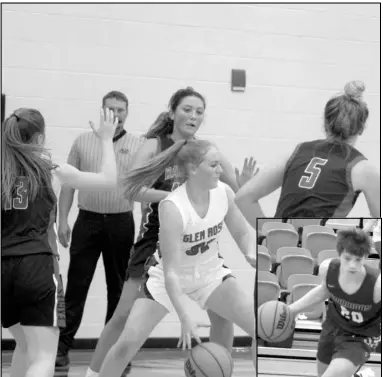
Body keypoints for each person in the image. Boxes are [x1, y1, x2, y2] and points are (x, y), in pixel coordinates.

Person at [86, 87, 261, 377]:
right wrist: (174, 198)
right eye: (187, 109)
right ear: (172, 113)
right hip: (156, 240)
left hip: (198, 245)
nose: (193, 116)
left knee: (223, 317)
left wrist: (243, 184)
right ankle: (93, 373)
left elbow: (235, 196)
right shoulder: (155, 145)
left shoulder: (205, 151)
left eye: (199, 111)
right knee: (123, 320)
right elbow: (130, 189)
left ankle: (217, 371)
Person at [1, 107, 118, 377]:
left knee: (25, 345)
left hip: (3, 269)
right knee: (43, 357)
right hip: (36, 266)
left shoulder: (2, 172)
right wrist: (105, 140)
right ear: (40, 138)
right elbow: (109, 181)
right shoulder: (50, 168)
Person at [56, 91, 143, 370]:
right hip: (88, 221)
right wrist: (62, 220)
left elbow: (145, 185)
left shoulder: (139, 145)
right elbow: (68, 184)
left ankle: (114, 353)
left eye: (120, 109)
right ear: (101, 111)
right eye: (110, 109)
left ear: (127, 112)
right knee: (77, 287)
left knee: (118, 289)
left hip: (121, 222)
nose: (115, 114)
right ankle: (61, 349)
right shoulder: (82, 141)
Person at [235, 81, 380, 224]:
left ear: (325, 124)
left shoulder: (297, 152)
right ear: (361, 129)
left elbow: (243, 197)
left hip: (279, 244)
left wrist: (269, 232)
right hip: (317, 244)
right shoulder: (363, 169)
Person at [288, 228, 381, 377]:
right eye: (347, 258)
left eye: (358, 259)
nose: (352, 265)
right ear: (339, 254)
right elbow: (324, 290)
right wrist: (291, 310)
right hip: (332, 328)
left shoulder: (377, 285)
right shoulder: (328, 269)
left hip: (361, 336)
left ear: (366, 257)